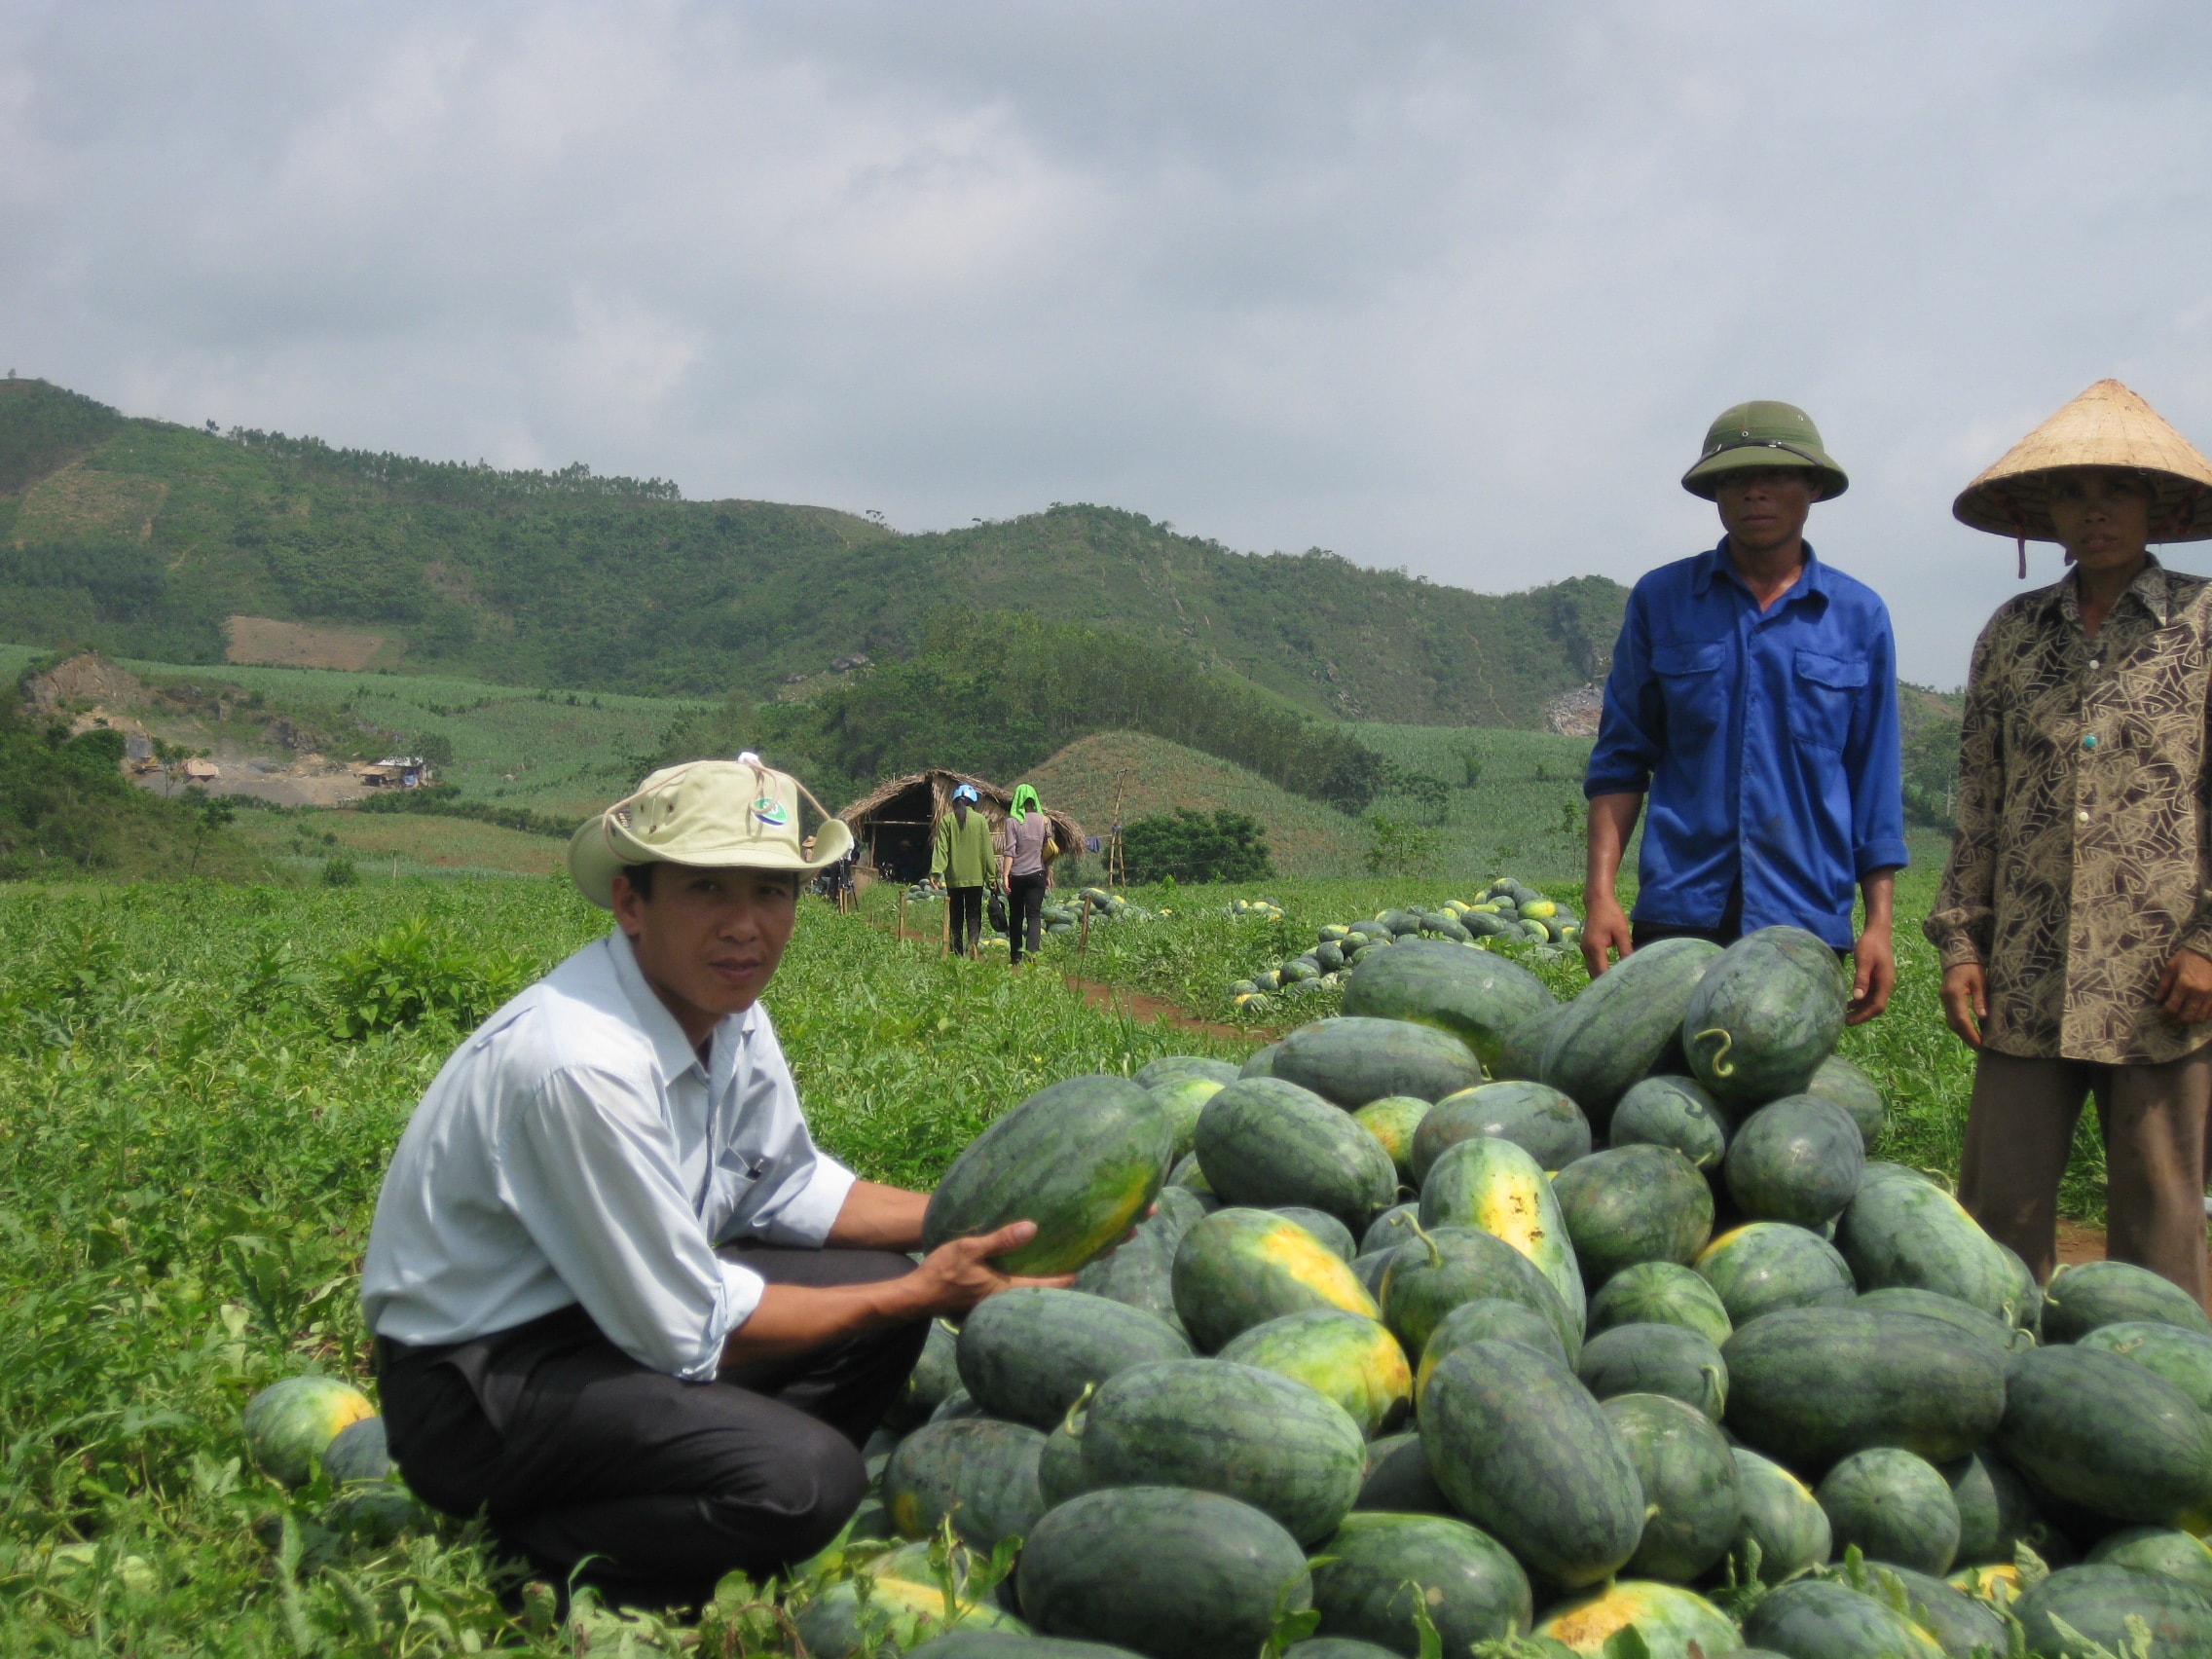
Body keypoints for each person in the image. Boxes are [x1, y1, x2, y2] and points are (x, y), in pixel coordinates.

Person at [359, 756, 1071, 1607]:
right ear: (631, 902)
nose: (747, 927)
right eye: (708, 890)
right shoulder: (581, 1065)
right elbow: (683, 1325)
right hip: (477, 1384)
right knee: (813, 1475)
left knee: (878, 1295)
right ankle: (538, 1556)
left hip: (607, 1323)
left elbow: (791, 1189)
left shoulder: (729, 1012)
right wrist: (924, 1291)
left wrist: (997, 1224)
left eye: (773, 893)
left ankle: (704, 1506)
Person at [1928, 379, 2212, 1303]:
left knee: (2160, 1220)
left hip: (2161, 976)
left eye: (2118, 490)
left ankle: (2166, 1418)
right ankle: (2001, 1405)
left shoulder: (2205, 627)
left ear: (2158, 506)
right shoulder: (2012, 635)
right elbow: (1979, 800)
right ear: (2044, 514)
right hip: (2026, 965)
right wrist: (1962, 942)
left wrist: (2209, 941)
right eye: (2074, 494)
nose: (2096, 513)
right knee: (1998, 1219)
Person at [1581, 399, 1907, 1027]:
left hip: (1805, 914)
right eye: (1734, 477)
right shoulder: (1663, 600)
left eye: (1777, 475)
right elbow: (1622, 758)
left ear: (1812, 486)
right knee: (1667, 1102)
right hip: (1678, 908)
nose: (1755, 491)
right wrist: (1601, 894)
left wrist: (1879, 926)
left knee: (1776, 1104)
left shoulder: (1858, 616)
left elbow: (1873, 782)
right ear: (1715, 494)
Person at [931, 782, 996, 956]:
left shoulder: (946, 821)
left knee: (956, 915)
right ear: (973, 802)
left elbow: (941, 849)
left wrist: (936, 873)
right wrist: (992, 877)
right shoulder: (981, 821)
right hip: (976, 878)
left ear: (955, 802)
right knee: (974, 913)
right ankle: (973, 944)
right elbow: (987, 851)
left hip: (954, 879)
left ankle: (957, 951)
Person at [998, 782, 1053, 966]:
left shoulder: (1012, 821)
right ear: (1034, 800)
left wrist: (1005, 875)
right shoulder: (1045, 821)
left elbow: (1009, 851)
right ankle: (1033, 955)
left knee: (1016, 916)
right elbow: (1048, 851)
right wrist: (1048, 874)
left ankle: (1015, 957)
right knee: (1034, 916)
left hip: (1017, 876)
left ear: (1018, 800)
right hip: (1037, 873)